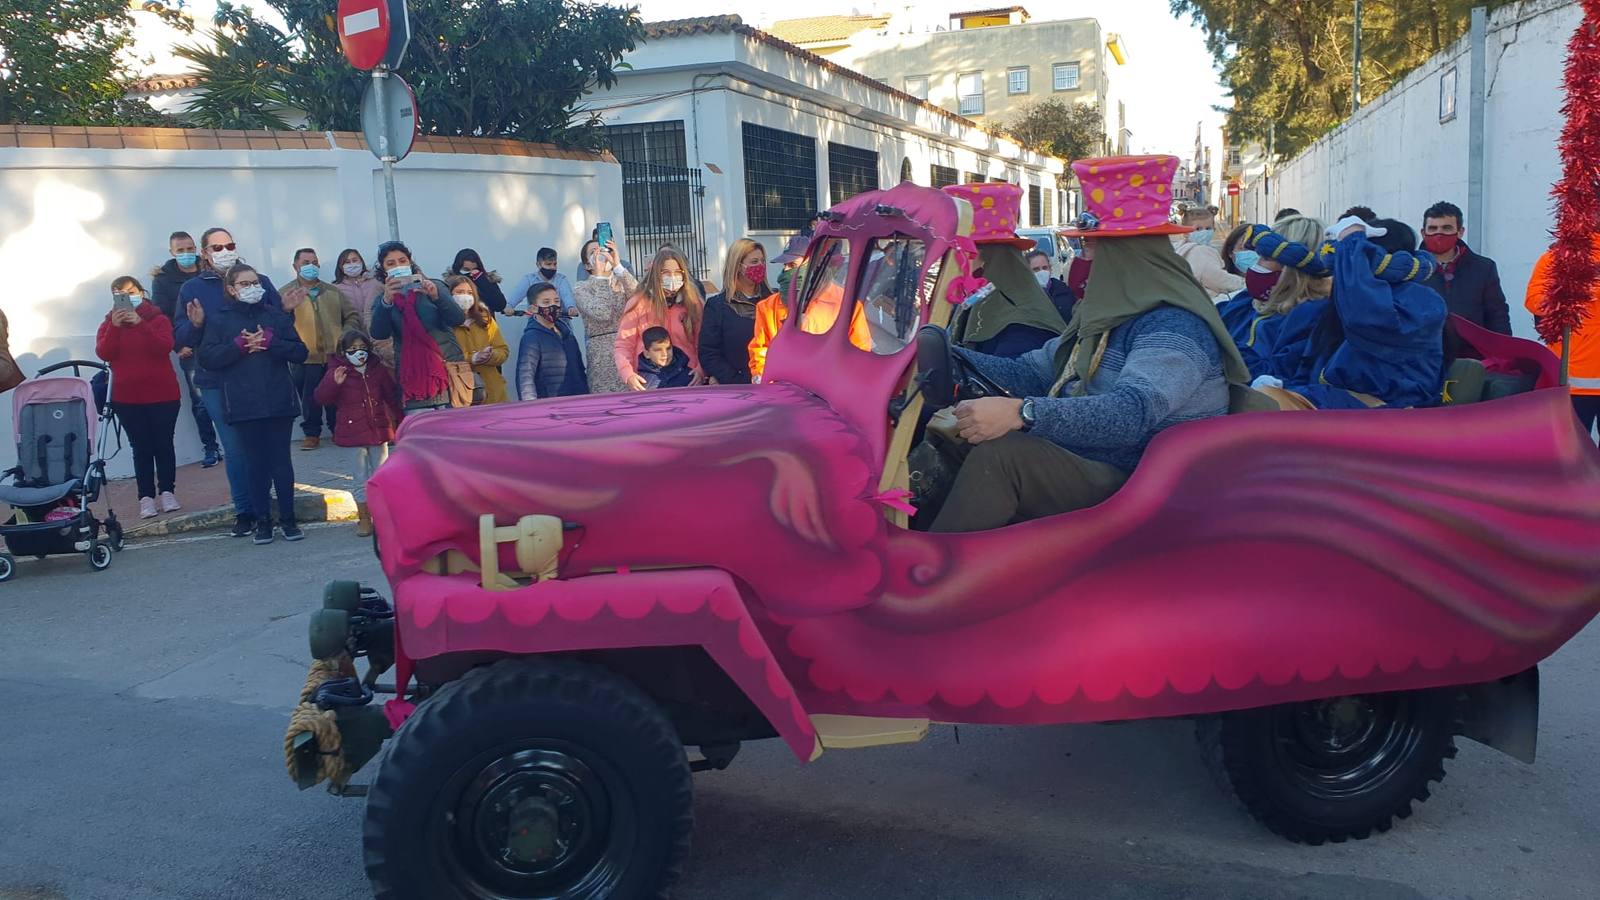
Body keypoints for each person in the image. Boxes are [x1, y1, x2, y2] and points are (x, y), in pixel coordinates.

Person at [930, 155, 1243, 533]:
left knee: (1004, 457)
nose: (1083, 263)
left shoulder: (1173, 326)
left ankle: (926, 577)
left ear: (1126, 258)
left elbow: (1131, 413)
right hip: (1097, 460)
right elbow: (1032, 370)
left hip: (1141, 481)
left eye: (1091, 251)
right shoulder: (1103, 321)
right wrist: (942, 356)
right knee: (956, 443)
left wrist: (1022, 413)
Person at [1260, 218, 1447, 410]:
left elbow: (1367, 322)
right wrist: (1285, 384)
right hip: (1342, 402)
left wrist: (1352, 243)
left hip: (1393, 409)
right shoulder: (1343, 299)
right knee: (1265, 399)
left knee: (1270, 403)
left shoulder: (1422, 301)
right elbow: (1309, 359)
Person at [174, 227, 283, 538]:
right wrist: (194, 326)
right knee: (235, 448)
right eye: (216, 247)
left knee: (263, 446)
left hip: (260, 377)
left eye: (229, 245)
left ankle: (268, 505)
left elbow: (278, 320)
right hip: (216, 380)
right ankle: (245, 510)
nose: (224, 251)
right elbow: (180, 336)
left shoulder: (258, 281)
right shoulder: (192, 289)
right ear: (205, 253)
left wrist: (284, 312)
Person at [195, 263, 308, 544]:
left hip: (278, 400)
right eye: (245, 284)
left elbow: (300, 352)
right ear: (232, 290)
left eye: (255, 282)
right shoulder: (219, 319)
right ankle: (262, 522)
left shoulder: (274, 315)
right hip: (243, 404)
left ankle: (289, 520)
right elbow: (208, 359)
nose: (252, 287)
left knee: (281, 463)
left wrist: (271, 342)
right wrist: (239, 347)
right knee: (255, 465)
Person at [96, 276, 182, 518]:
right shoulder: (108, 323)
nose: (128, 296)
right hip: (128, 398)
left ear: (141, 292)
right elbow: (105, 352)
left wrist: (140, 324)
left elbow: (163, 346)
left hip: (162, 395)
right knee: (141, 448)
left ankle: (167, 491)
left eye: (131, 291)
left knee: (163, 444)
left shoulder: (158, 318)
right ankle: (145, 497)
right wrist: (115, 326)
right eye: (120, 293)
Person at [1214, 216, 1332, 379]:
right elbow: (1211, 319)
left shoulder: (1312, 317)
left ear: (1292, 268)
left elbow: (1277, 378)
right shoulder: (1248, 301)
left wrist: (1225, 346)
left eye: (1265, 258)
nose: (1256, 265)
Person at [747, 237, 872, 381]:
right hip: (785, 390)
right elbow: (760, 351)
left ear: (814, 265)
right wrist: (764, 380)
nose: (786, 271)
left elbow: (860, 350)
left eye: (792, 264)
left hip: (829, 389)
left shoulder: (846, 304)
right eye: (785, 265)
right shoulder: (768, 306)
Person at [313, 331, 399, 537]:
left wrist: (402, 421)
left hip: (378, 430)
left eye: (362, 348)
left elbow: (391, 396)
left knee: (381, 476)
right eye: (352, 349)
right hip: (352, 433)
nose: (358, 353)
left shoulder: (377, 369)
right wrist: (333, 383)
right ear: (343, 352)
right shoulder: (337, 371)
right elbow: (321, 398)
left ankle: (383, 516)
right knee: (360, 478)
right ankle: (364, 518)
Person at [368, 241, 466, 412]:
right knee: (422, 432)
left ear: (410, 263)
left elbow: (457, 319)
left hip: (447, 370)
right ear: (384, 270)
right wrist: (386, 302)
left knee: (455, 432)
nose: (398, 266)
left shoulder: (434, 286)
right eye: (391, 264)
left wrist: (436, 296)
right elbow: (378, 333)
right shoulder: (382, 300)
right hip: (413, 377)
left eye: (402, 260)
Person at [149, 230, 219, 468]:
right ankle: (210, 447)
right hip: (190, 348)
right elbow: (163, 316)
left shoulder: (210, 271)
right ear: (172, 253)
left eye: (190, 249)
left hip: (219, 343)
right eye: (181, 250)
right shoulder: (163, 280)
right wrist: (179, 345)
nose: (187, 254)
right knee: (200, 401)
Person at [281, 248, 360, 449]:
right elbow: (278, 322)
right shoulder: (285, 293)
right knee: (309, 398)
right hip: (304, 356)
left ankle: (338, 430)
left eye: (314, 262)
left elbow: (351, 316)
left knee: (337, 394)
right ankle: (311, 434)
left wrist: (345, 334)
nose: (311, 266)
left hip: (334, 354)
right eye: (306, 262)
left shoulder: (333, 291)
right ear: (295, 266)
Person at [1524, 230, 1600, 432]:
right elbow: (1534, 300)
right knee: (1572, 455)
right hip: (1572, 380)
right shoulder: (1559, 256)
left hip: (1572, 378)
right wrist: (1568, 295)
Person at [614, 248, 705, 391]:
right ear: (656, 274)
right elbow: (624, 344)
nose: (672, 277)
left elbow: (703, 342)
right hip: (650, 380)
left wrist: (701, 369)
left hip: (688, 377)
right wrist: (628, 374)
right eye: (666, 272)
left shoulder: (693, 303)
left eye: (677, 272)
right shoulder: (639, 303)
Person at [1419, 201, 1511, 334]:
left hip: (1471, 352)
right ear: (1423, 232)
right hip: (1424, 351)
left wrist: (1504, 351)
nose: (1439, 234)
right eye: (1433, 228)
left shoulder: (1484, 268)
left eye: (1447, 228)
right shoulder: (1410, 270)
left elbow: (1497, 315)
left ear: (1460, 231)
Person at [699, 238, 770, 385]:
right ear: (738, 266)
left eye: (763, 261)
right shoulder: (717, 306)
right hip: (737, 386)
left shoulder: (773, 301)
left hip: (774, 383)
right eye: (754, 261)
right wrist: (737, 380)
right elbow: (709, 352)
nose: (760, 266)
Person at [573, 239, 636, 393]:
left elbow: (640, 297)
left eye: (603, 250)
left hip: (628, 347)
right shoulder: (581, 288)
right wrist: (600, 277)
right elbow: (602, 312)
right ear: (587, 265)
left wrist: (618, 266)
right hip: (601, 354)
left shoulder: (620, 282)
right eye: (594, 252)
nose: (601, 254)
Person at [516, 283, 590, 400]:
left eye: (556, 301)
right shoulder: (531, 337)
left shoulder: (567, 333)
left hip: (577, 400)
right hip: (550, 404)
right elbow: (525, 376)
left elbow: (579, 369)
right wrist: (530, 406)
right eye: (546, 302)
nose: (553, 306)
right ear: (533, 308)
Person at [446, 276, 511, 404]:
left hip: (494, 393)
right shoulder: (444, 323)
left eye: (469, 293)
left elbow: (503, 350)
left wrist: (491, 355)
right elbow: (445, 359)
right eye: (459, 292)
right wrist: (472, 358)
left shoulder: (485, 317)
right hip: (463, 395)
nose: (465, 296)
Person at [332, 248, 391, 368]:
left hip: (380, 338)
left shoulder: (376, 283)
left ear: (361, 262)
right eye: (347, 262)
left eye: (355, 260)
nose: (352, 264)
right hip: (354, 343)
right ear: (340, 266)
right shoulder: (335, 289)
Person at [1174, 207, 1246, 301]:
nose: (1204, 232)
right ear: (1186, 232)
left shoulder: (1179, 248)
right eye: (1198, 229)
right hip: (1206, 301)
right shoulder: (1201, 252)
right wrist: (1243, 283)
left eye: (1208, 228)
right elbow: (1217, 278)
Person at [511, 247, 576, 315]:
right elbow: (515, 296)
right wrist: (509, 306)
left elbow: (567, 296)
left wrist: (571, 307)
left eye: (555, 264)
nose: (552, 267)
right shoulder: (528, 279)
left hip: (560, 321)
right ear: (538, 265)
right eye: (548, 264)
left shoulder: (561, 280)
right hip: (535, 321)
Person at [446, 249, 509, 315]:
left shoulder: (487, 280)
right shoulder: (450, 285)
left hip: (485, 323)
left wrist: (482, 281)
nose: (471, 273)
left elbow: (500, 305)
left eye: (474, 269)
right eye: (466, 270)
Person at [1026, 249, 1077, 322]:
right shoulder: (1024, 296)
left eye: (1045, 268)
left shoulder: (1064, 291)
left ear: (1050, 269)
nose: (1042, 272)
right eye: (1036, 269)